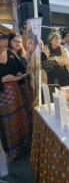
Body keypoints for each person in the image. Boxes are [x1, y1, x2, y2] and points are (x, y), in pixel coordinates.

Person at [0, 32, 32, 161]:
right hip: (3, 99)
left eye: (4, 46)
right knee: (9, 126)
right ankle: (12, 154)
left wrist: (19, 73)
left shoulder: (11, 54)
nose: (3, 49)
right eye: (0, 47)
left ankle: (24, 148)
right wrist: (2, 79)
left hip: (18, 94)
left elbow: (21, 70)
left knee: (21, 120)